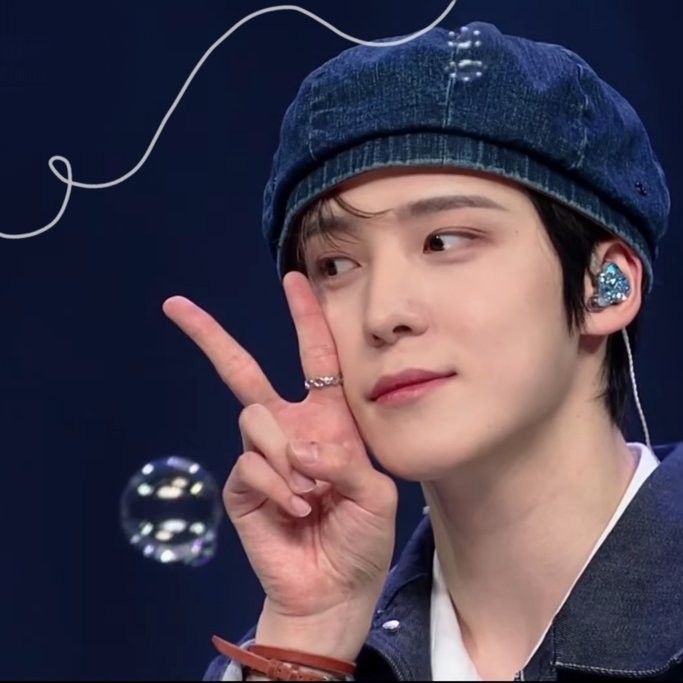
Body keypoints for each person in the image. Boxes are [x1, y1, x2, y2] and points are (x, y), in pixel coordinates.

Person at [162, 20, 683, 682]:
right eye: (336, 265)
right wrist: (308, 639)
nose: (383, 314)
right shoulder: (293, 651)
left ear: (605, 284)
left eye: (445, 241)